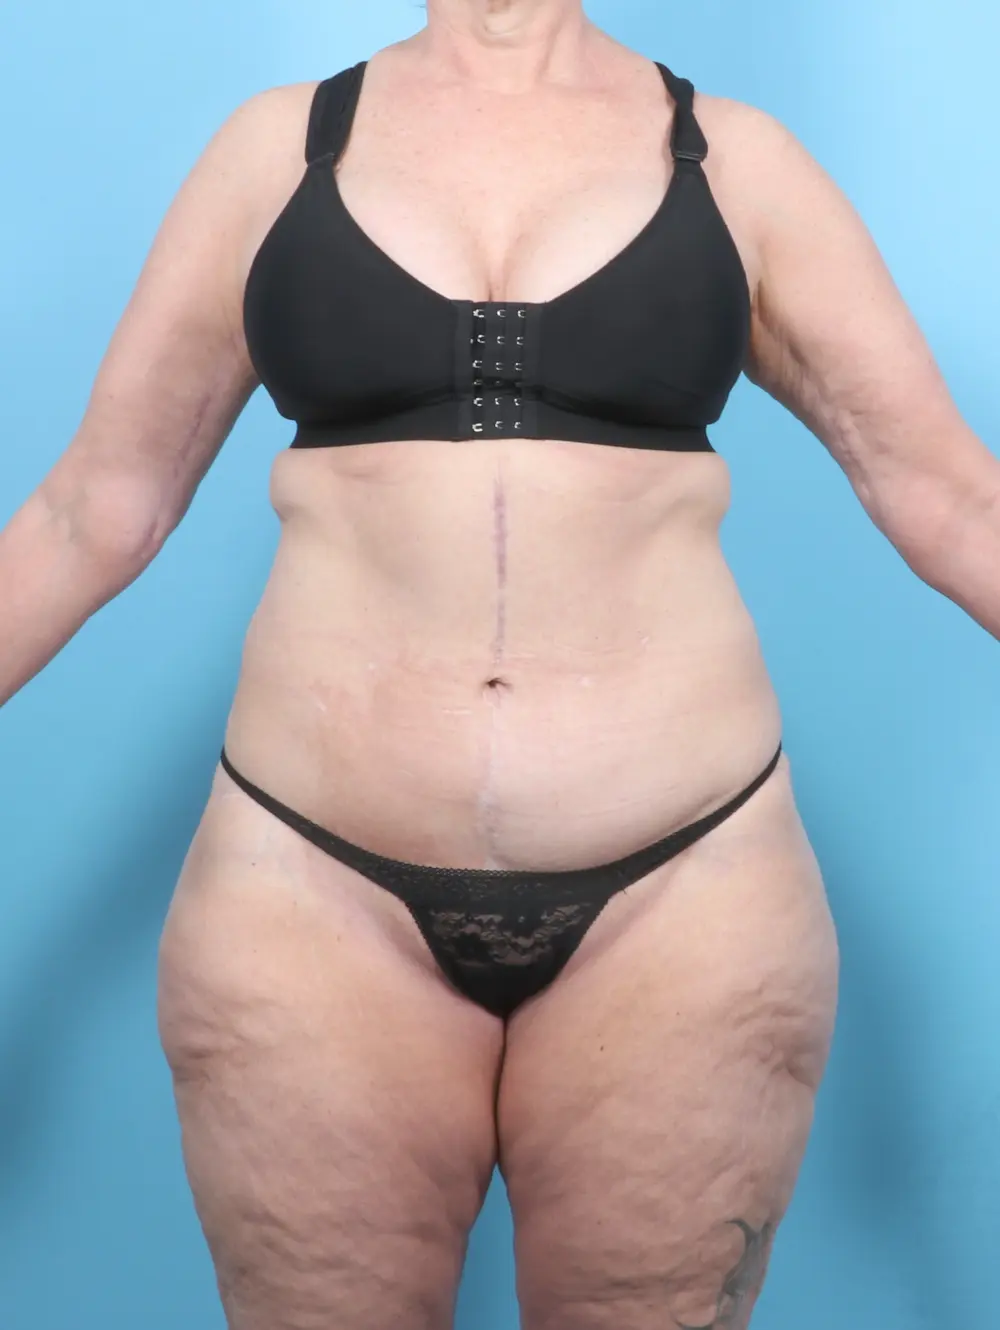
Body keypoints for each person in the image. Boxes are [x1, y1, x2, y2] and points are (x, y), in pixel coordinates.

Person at [2, 0, 997, 1326]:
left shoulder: (737, 161)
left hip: (686, 895)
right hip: (309, 893)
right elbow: (92, 509)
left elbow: (950, 499)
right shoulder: (275, 151)